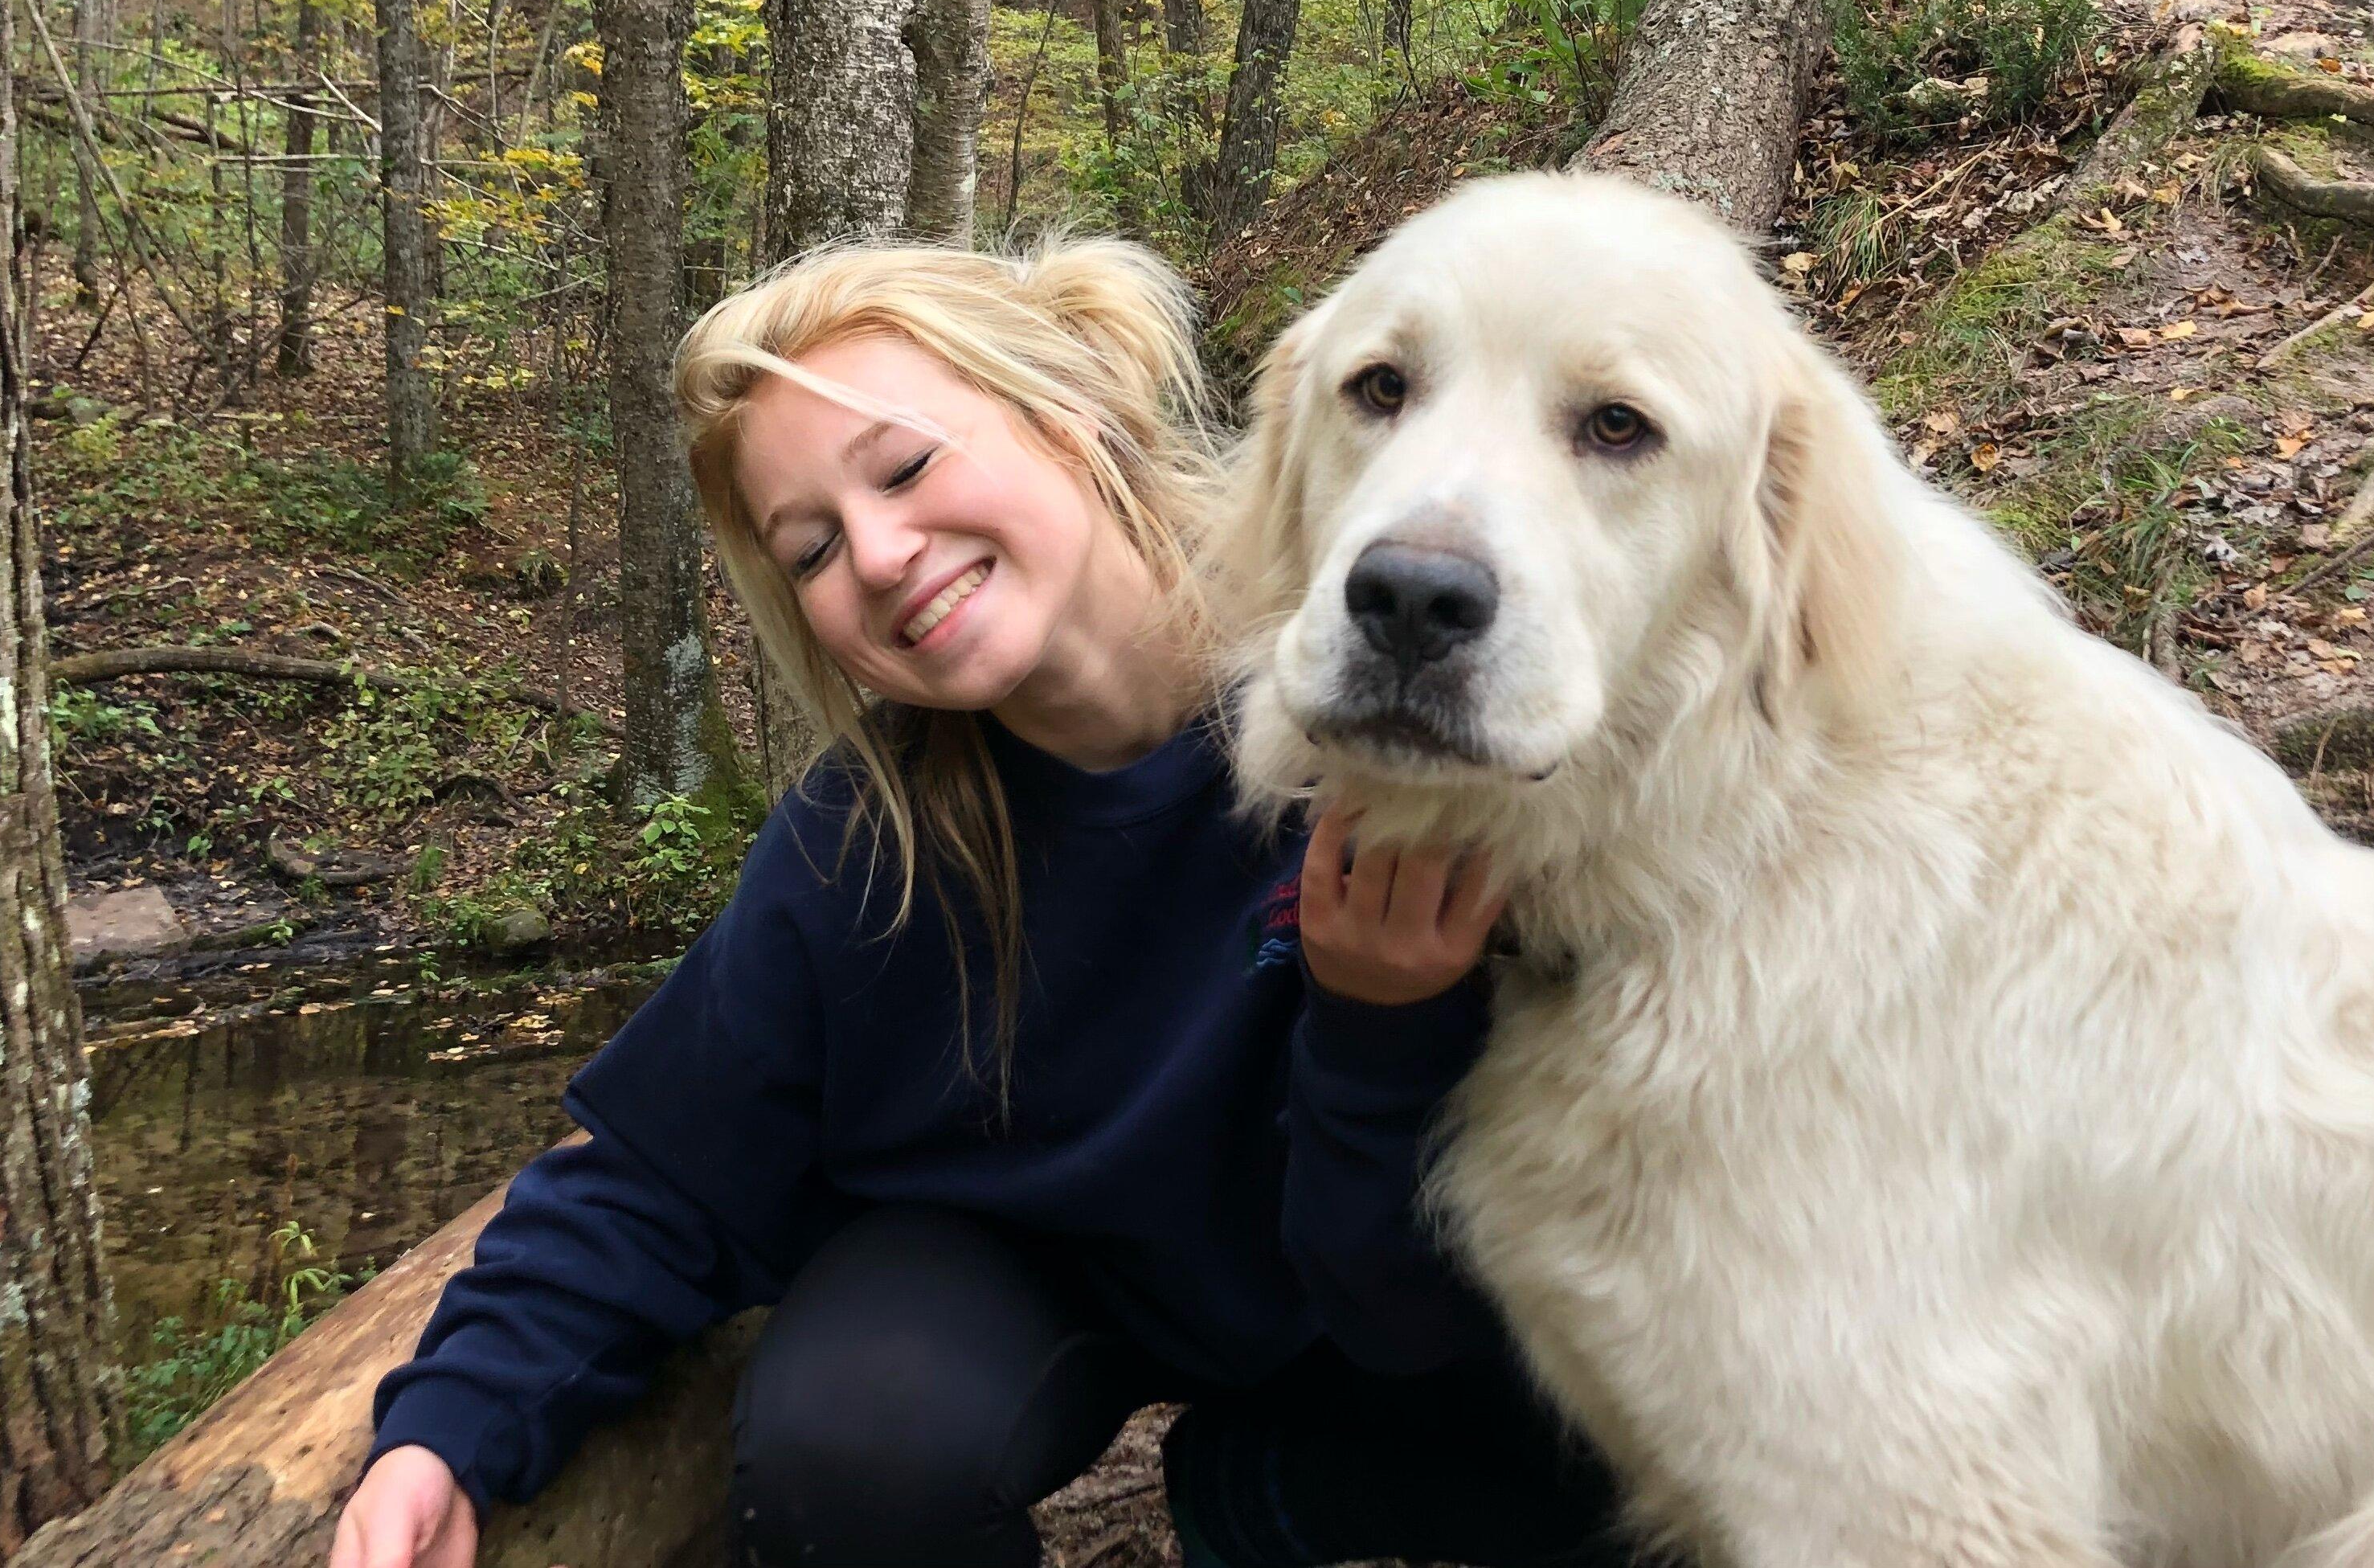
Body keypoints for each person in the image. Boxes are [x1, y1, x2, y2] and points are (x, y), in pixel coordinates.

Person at [326, 237, 1624, 1568]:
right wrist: (445, 1427)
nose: (880, 554)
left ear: (1067, 417)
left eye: (904, 467)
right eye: (812, 547)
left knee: (1621, 1450)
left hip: (1384, 1302)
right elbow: (657, 1179)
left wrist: (1380, 1026)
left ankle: (1275, 1488)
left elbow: (1439, 1278)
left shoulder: (1380, 696)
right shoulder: (861, 843)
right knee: (849, 1446)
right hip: (1042, 1270)